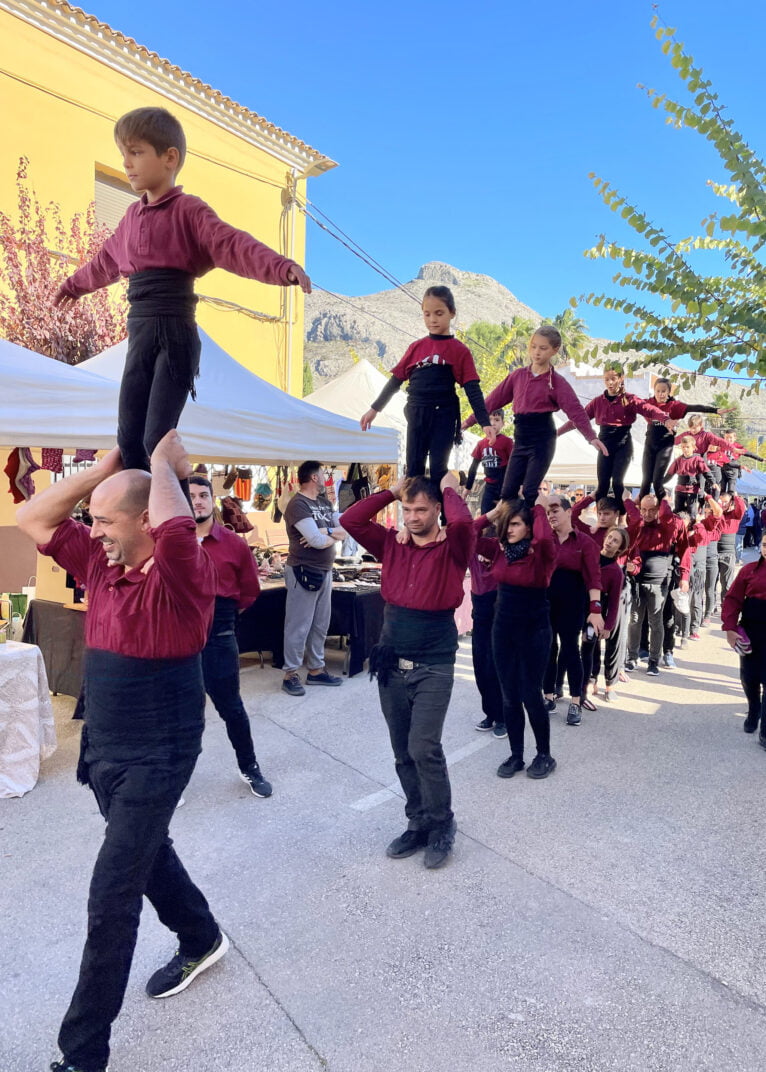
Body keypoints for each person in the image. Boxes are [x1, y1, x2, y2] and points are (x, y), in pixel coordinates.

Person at [17, 433, 226, 1072]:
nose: (94, 530)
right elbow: (31, 517)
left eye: (107, 520)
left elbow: (176, 525)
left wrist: (160, 463)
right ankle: (201, 935)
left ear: (146, 522)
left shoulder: (185, 574)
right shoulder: (99, 566)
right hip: (104, 748)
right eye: (93, 521)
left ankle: (82, 1055)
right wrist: (101, 473)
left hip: (160, 752)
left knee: (112, 892)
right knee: (146, 854)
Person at [54, 107, 310, 485]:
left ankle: (181, 522)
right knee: (128, 441)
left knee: (157, 439)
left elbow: (233, 244)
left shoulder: (189, 211)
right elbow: (104, 262)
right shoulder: (129, 219)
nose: (126, 163)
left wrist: (281, 267)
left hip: (175, 334)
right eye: (123, 154)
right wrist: (73, 285)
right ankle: (143, 519)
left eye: (136, 152)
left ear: (169, 157)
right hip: (139, 333)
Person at [341, 473, 475, 869]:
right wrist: (390, 491)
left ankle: (441, 824)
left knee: (423, 748)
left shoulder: (454, 548)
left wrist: (448, 487)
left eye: (421, 509)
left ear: (437, 510)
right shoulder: (390, 545)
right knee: (402, 752)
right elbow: (350, 521)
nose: (413, 516)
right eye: (407, 509)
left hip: (434, 662)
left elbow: (465, 523)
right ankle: (417, 821)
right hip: (390, 662)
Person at [360, 286, 494, 487]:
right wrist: (374, 409)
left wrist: (485, 422)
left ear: (452, 314)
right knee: (414, 468)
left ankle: (443, 516)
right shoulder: (416, 347)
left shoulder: (459, 350)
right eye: (427, 314)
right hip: (416, 412)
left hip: (444, 415)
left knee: (439, 468)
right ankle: (414, 515)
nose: (432, 319)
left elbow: (472, 389)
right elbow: (395, 381)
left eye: (439, 313)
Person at [189, 475, 272, 797]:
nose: (197, 501)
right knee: (181, 712)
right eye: (191, 495)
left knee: (231, 708)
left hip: (220, 634)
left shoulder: (234, 544)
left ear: (212, 501)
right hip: (177, 639)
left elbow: (249, 591)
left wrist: (219, 617)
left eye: (202, 495)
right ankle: (174, 777)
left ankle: (249, 767)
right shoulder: (167, 541)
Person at [463, 326, 607, 505]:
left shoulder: (556, 382)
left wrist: (591, 437)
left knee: (530, 491)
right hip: (521, 438)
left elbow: (575, 410)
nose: (536, 352)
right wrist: (467, 422)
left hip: (542, 440)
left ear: (554, 350)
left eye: (543, 348)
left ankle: (537, 530)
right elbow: (491, 402)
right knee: (507, 492)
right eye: (533, 346)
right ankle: (510, 531)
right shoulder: (517, 376)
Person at [474, 495, 559, 779]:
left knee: (530, 694)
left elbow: (546, 538)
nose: (509, 529)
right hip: (503, 629)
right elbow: (464, 535)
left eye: (516, 524)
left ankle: (544, 755)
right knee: (509, 696)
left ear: (529, 527)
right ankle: (516, 755)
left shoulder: (541, 553)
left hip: (534, 630)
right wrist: (491, 515)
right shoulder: (499, 550)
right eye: (506, 524)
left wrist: (536, 504)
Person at [557, 363, 671, 508]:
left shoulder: (629, 399)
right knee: (603, 484)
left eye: (613, 379)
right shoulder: (597, 402)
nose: (610, 383)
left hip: (623, 444)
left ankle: (621, 518)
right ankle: (601, 516)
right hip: (604, 444)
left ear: (621, 378)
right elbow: (577, 420)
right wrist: (556, 433)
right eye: (607, 379)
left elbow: (648, 409)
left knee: (617, 483)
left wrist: (665, 418)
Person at [281, 460, 347, 696]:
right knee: (298, 626)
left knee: (320, 625)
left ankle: (316, 671)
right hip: (303, 570)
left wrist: (325, 531)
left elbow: (344, 529)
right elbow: (317, 542)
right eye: (322, 473)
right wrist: (329, 534)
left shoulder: (324, 502)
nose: (325, 476)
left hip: (325, 570)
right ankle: (290, 674)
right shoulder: (297, 505)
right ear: (314, 478)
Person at [542, 496, 603, 725]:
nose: (551, 515)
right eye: (549, 512)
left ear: (569, 512)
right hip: (546, 601)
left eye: (556, 510)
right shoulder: (544, 539)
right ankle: (548, 696)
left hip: (573, 602)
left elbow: (594, 578)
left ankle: (576, 701)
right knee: (548, 648)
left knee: (570, 650)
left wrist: (595, 610)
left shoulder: (585, 542)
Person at [639, 380, 727, 499]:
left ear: (669, 392)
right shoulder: (649, 403)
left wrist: (715, 410)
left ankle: (662, 509)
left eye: (663, 391)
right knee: (645, 481)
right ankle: (641, 511)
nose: (660, 394)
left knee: (657, 481)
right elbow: (631, 403)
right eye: (657, 391)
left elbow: (694, 407)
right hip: (650, 445)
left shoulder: (674, 406)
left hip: (664, 447)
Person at [625, 494, 682, 676]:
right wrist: (631, 502)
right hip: (637, 583)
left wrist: (662, 497)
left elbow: (667, 516)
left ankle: (653, 661)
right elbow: (632, 517)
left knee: (656, 623)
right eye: (643, 509)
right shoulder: (637, 527)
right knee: (634, 621)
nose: (647, 514)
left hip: (658, 584)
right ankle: (632, 657)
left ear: (658, 510)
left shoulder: (666, 527)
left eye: (652, 510)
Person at [722, 530, 766, 746]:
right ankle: (754, 710)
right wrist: (730, 628)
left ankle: (765, 731)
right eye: (765, 545)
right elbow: (732, 599)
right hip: (751, 630)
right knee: (749, 677)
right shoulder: (749, 571)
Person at [580, 526, 628, 706]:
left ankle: (586, 684)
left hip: (600, 609)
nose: (610, 542)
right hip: (581, 604)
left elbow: (615, 601)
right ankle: (584, 679)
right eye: (610, 537)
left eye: (616, 541)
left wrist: (608, 626)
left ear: (620, 549)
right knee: (582, 645)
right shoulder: (591, 556)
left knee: (590, 645)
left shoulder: (616, 571)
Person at [464, 408, 514, 514]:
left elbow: (515, 465)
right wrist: (467, 488)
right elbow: (473, 467)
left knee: (506, 517)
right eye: (490, 420)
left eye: (497, 420)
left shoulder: (507, 441)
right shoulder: (481, 444)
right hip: (489, 488)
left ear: (503, 423)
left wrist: (519, 485)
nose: (492, 423)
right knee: (485, 517)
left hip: (504, 486)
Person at [665, 436, 712, 517]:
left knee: (691, 513)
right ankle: (678, 528)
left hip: (691, 490)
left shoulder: (698, 459)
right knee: (677, 512)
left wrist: (713, 482)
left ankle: (691, 528)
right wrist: (660, 482)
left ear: (693, 447)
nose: (685, 449)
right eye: (683, 447)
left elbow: (706, 471)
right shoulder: (678, 460)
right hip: (679, 489)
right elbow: (669, 473)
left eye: (687, 447)